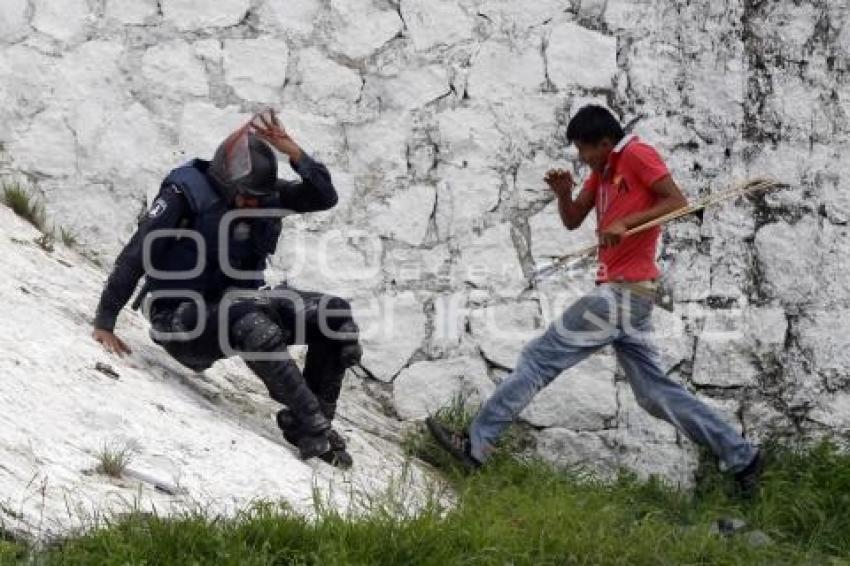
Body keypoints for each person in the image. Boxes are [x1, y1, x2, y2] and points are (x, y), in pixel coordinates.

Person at [427, 105, 763, 496]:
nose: (582, 158)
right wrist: (563, 194)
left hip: (621, 294)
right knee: (654, 394)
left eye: (585, 150)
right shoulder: (601, 171)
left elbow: (677, 203)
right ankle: (745, 458)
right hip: (629, 298)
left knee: (537, 359)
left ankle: (476, 445)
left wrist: (626, 223)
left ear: (605, 142)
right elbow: (572, 219)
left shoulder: (636, 155)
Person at [92, 110, 362, 469]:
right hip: (181, 320)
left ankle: (304, 425)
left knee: (335, 316)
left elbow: (324, 197)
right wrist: (105, 320)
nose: (253, 204)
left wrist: (294, 153)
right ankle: (317, 426)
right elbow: (137, 253)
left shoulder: (262, 197)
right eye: (246, 196)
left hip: (238, 306)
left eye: (257, 197)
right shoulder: (184, 194)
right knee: (251, 321)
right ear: (226, 181)